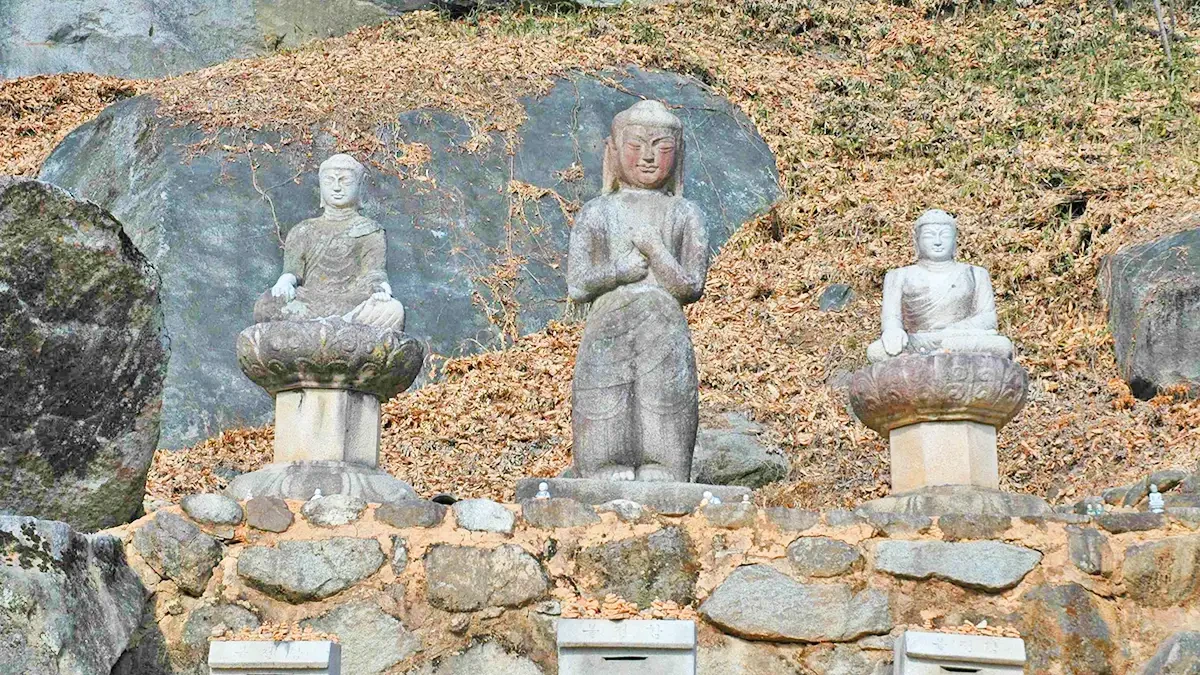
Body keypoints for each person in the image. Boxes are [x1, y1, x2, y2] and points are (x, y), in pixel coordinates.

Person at [567, 100, 709, 483]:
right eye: (636, 146)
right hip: (608, 324)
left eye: (662, 148)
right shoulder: (597, 212)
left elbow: (691, 285)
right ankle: (603, 464)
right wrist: (618, 271)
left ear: (677, 157)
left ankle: (663, 465)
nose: (648, 157)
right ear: (613, 151)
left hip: (664, 324)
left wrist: (656, 251)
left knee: (664, 396)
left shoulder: (685, 213)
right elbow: (578, 283)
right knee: (604, 396)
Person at [254, 153, 405, 330]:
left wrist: (381, 289)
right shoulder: (304, 229)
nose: (337, 188)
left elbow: (373, 273)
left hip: (350, 300)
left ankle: (322, 329)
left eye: (345, 181)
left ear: (359, 186)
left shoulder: (370, 230)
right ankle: (338, 328)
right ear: (321, 186)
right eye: (329, 181)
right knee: (266, 304)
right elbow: (292, 271)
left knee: (393, 310)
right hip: (309, 302)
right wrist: (284, 283)